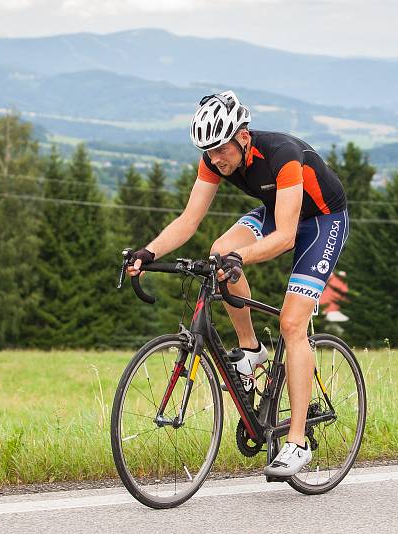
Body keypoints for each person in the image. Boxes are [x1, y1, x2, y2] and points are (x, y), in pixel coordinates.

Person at [127, 91, 348, 477]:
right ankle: (252, 349)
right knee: (219, 252)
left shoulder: (283, 156)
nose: (215, 160)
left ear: (243, 137)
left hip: (321, 222)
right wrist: (149, 252)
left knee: (293, 324)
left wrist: (241, 258)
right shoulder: (215, 160)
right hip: (276, 212)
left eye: (220, 150)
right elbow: (188, 220)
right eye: (208, 152)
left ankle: (296, 442)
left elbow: (286, 237)